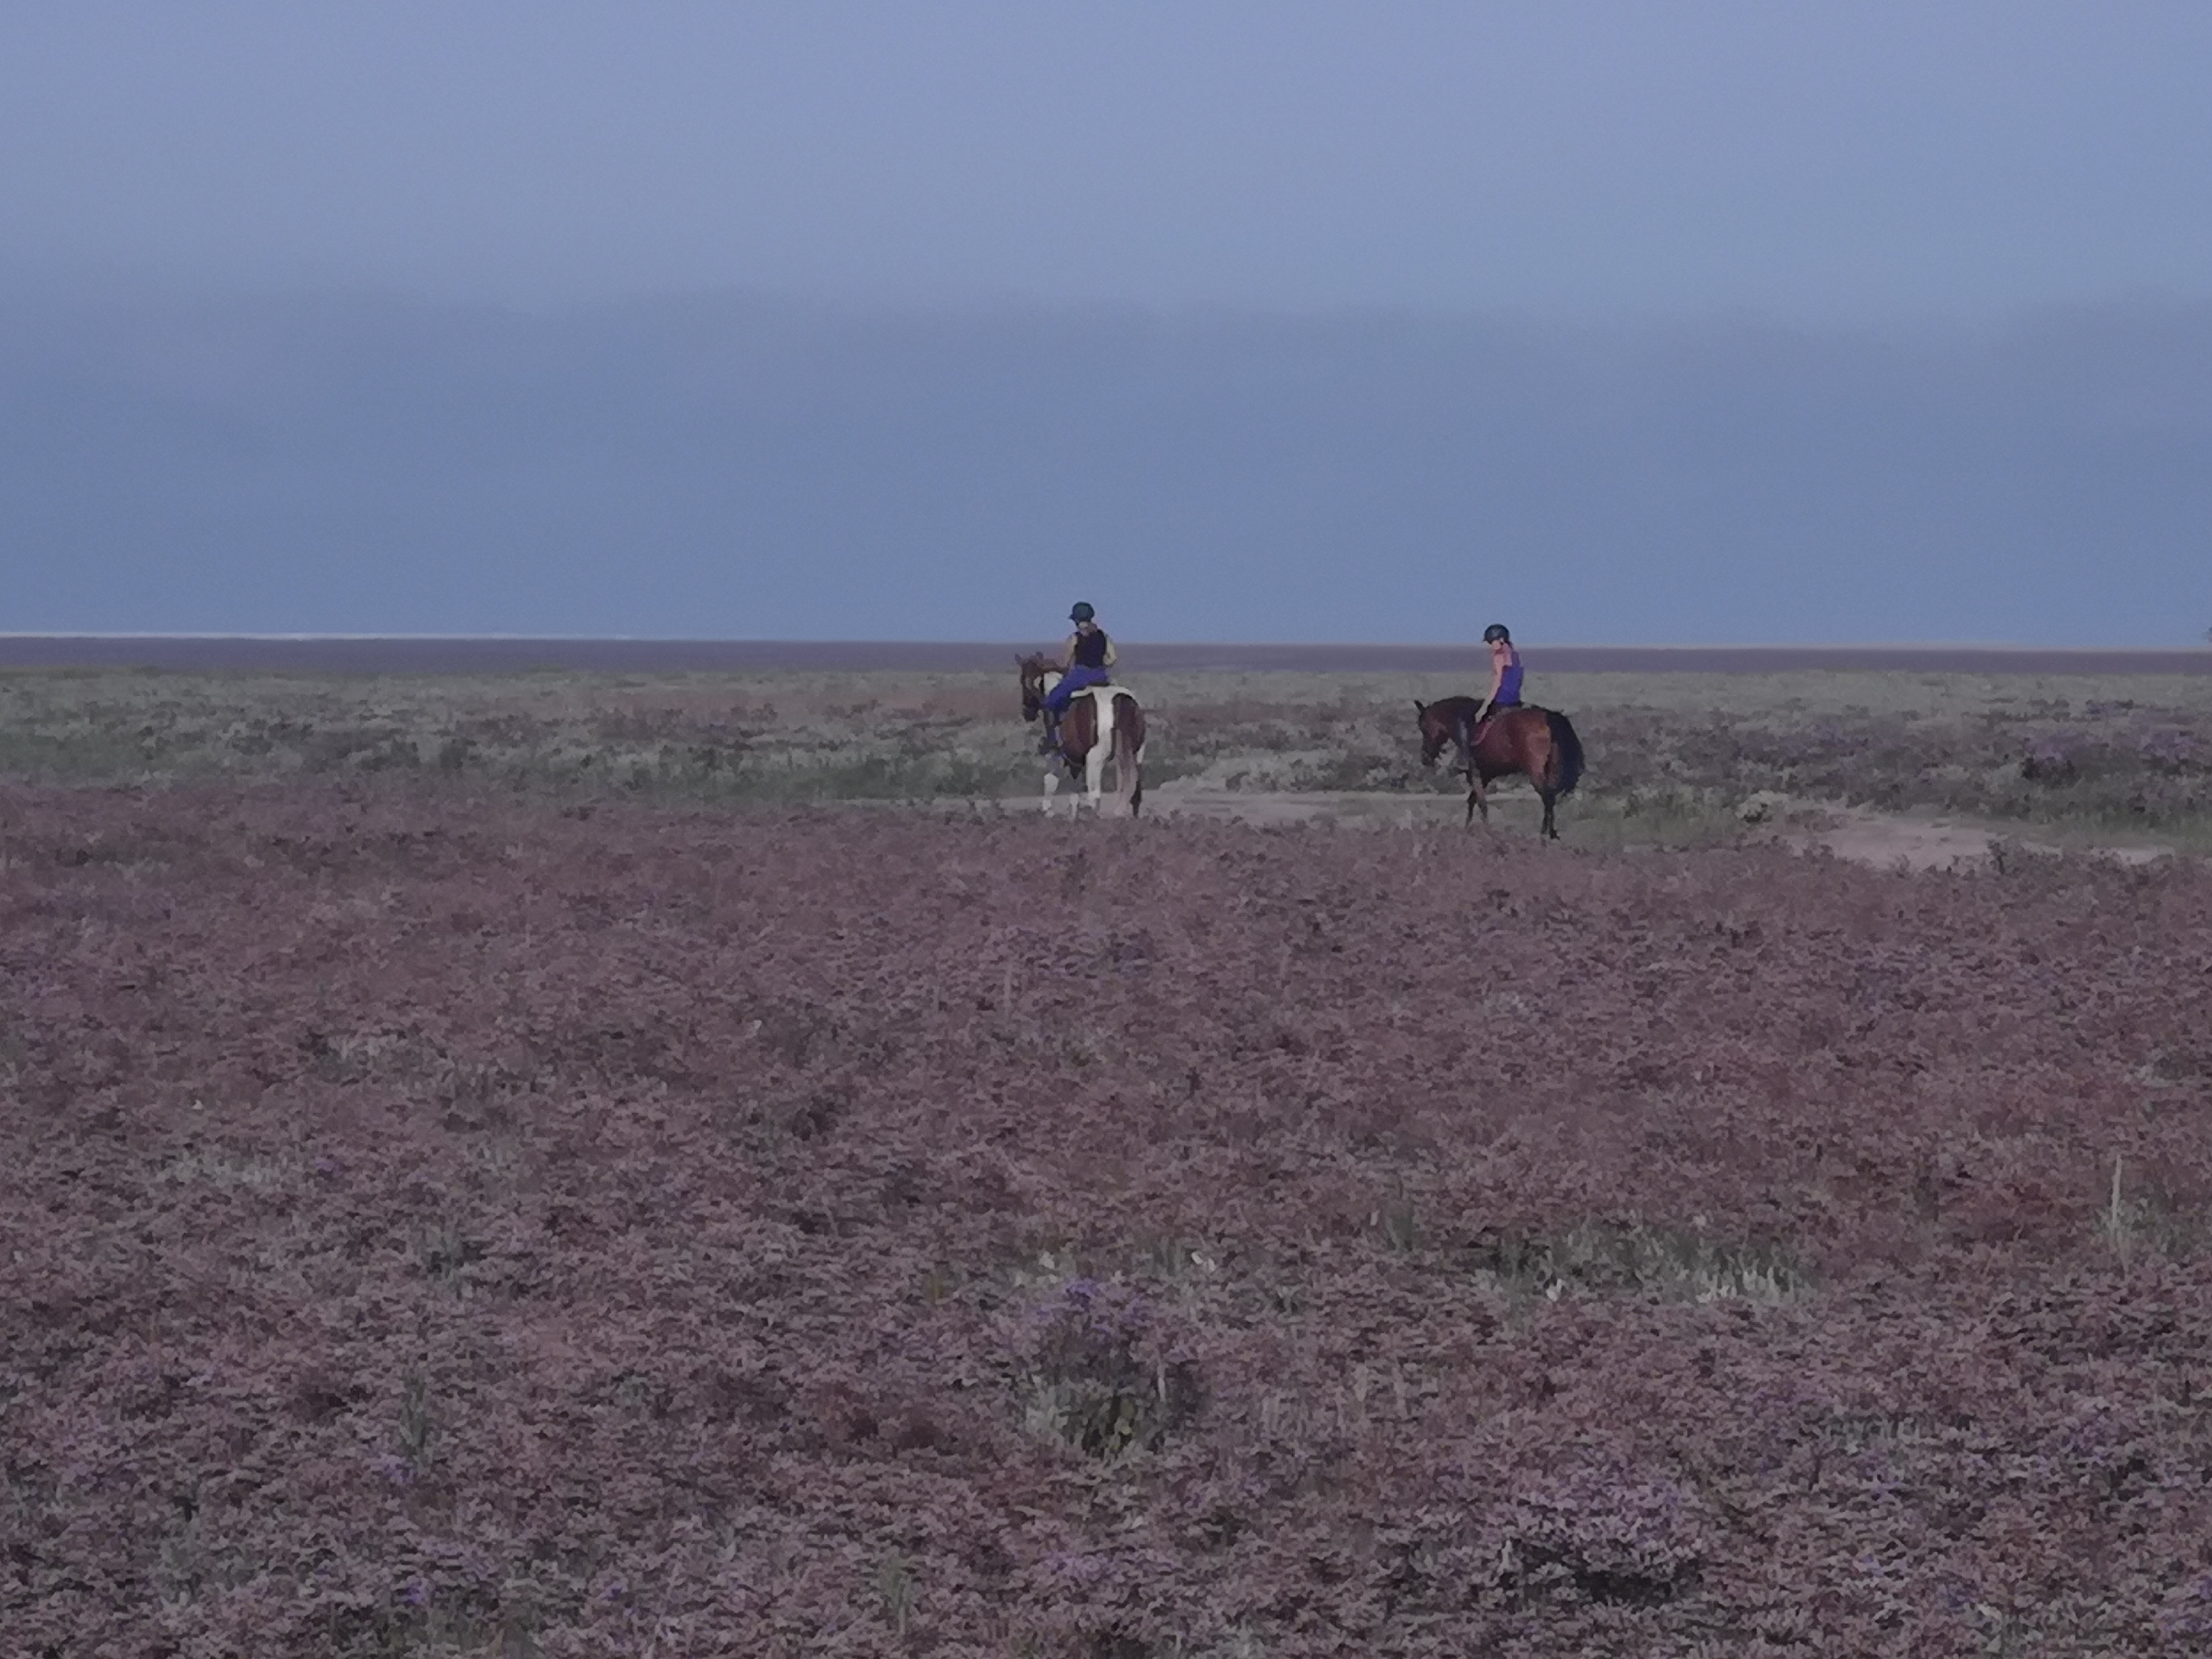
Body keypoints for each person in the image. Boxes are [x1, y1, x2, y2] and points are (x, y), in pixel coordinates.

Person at [1040, 602, 1117, 752]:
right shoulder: (1104, 637)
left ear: (1076, 620)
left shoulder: (1075, 638)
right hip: (1101, 676)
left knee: (1050, 702)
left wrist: (1051, 665)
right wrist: (1101, 665)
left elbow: (1065, 664)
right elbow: (1113, 658)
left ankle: (1052, 741)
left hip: (1080, 677)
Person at [1474, 623, 1523, 726]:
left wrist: (1485, 706)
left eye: (1492, 642)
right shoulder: (1515, 654)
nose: (1491, 645)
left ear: (1501, 640)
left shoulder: (1499, 657)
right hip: (1515, 699)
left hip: (1501, 700)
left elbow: (1498, 683)